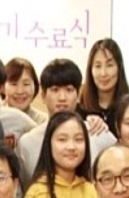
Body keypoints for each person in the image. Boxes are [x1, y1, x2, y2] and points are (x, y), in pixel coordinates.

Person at [17, 58, 115, 189]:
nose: (62, 98)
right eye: (55, 90)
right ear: (43, 96)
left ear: (78, 95)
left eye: (69, 90)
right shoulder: (27, 143)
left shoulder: (98, 134)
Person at [78, 38, 129, 134]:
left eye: (109, 65)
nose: (103, 73)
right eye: (98, 66)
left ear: (119, 67)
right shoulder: (79, 106)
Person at [4, 57, 47, 125]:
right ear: (2, 87)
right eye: (14, 84)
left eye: (26, 84)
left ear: (35, 86)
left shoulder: (44, 121)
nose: (20, 91)